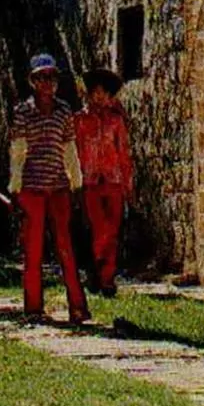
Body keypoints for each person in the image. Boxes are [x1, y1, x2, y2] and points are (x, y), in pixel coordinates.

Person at [8, 53, 90, 324]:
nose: (47, 83)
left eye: (52, 77)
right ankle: (33, 307)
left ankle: (77, 306)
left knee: (66, 247)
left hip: (58, 187)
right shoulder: (23, 112)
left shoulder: (64, 111)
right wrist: (15, 186)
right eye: (42, 77)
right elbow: (18, 151)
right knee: (33, 249)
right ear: (33, 81)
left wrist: (76, 182)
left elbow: (69, 149)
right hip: (32, 187)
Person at [75, 68, 134, 297]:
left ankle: (106, 278)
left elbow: (123, 153)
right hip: (90, 182)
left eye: (104, 93)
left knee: (112, 230)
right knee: (99, 228)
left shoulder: (116, 121)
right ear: (90, 94)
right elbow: (75, 151)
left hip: (113, 181)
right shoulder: (80, 120)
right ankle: (98, 269)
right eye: (96, 92)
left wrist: (128, 184)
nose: (100, 97)